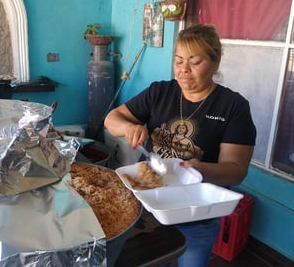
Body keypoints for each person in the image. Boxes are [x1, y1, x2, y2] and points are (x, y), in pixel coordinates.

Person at [104, 24, 256, 267]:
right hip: (152, 206)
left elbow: (236, 170)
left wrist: (199, 168)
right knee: (154, 260)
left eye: (195, 62)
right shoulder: (159, 92)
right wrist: (127, 128)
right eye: (178, 61)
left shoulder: (233, 106)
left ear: (215, 62)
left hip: (197, 214)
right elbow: (111, 119)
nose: (184, 70)